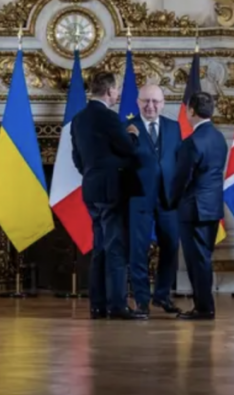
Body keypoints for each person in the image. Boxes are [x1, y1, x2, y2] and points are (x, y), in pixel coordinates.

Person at [71, 71, 145, 320]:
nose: (119, 93)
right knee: (115, 248)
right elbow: (129, 149)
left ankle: (97, 305)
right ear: (109, 90)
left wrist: (93, 173)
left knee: (100, 247)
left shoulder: (78, 119)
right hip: (111, 190)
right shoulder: (109, 118)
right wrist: (133, 134)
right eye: (118, 89)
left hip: (91, 188)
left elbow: (77, 158)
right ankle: (117, 305)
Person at [168, 92, 228, 320]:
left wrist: (170, 202)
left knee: (197, 261)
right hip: (212, 208)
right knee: (203, 259)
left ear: (191, 111)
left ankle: (204, 308)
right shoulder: (219, 138)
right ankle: (204, 306)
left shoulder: (192, 142)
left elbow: (181, 179)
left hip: (193, 210)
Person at [126, 84, 182, 315]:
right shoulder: (127, 127)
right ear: (138, 102)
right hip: (138, 197)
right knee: (138, 250)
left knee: (171, 246)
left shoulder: (174, 127)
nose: (150, 106)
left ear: (163, 103)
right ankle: (141, 300)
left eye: (155, 101)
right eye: (146, 101)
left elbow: (178, 160)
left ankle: (162, 296)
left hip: (168, 199)